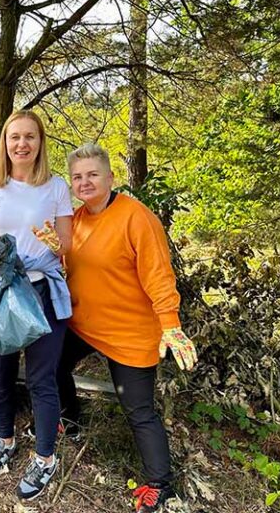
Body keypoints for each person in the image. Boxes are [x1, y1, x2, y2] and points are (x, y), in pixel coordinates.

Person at [59, 143, 197, 513]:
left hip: (128, 333)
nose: (85, 182)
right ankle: (69, 421)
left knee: (138, 410)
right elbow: (70, 263)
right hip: (84, 325)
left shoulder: (137, 218)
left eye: (92, 174)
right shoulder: (76, 219)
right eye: (77, 177)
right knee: (52, 363)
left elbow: (159, 276)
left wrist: (170, 324)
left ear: (110, 177)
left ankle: (159, 484)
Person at [0, 110, 73, 501]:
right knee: (0, 374)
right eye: (14, 137)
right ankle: (4, 440)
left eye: (30, 136)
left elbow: (66, 243)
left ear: (40, 142)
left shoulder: (56, 187)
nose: (22, 144)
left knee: (41, 378)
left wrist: (54, 243)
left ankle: (45, 458)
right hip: (3, 290)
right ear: (5, 143)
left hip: (42, 290)